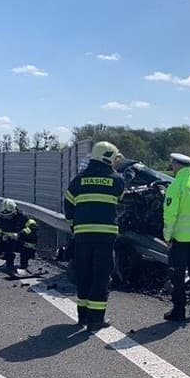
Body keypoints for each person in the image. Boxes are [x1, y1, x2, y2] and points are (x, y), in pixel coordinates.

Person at [63, 141, 125, 331]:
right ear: (109, 157)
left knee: (84, 274)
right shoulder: (117, 180)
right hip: (105, 237)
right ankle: (96, 319)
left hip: (82, 236)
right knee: (101, 276)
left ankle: (82, 317)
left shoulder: (78, 181)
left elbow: (68, 207)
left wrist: (76, 227)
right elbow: (120, 200)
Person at [163, 152, 190, 322]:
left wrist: (167, 236)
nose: (172, 167)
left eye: (172, 164)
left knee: (178, 275)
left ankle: (178, 310)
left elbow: (170, 214)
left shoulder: (176, 185)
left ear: (177, 165)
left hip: (179, 239)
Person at [0, 198, 38, 272]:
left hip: (23, 244)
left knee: (26, 249)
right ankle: (9, 262)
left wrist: (19, 235)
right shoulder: (1, 220)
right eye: (4, 215)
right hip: (9, 243)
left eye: (9, 215)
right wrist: (2, 237)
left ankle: (24, 263)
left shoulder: (22, 218)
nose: (7, 217)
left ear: (14, 212)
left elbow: (33, 227)